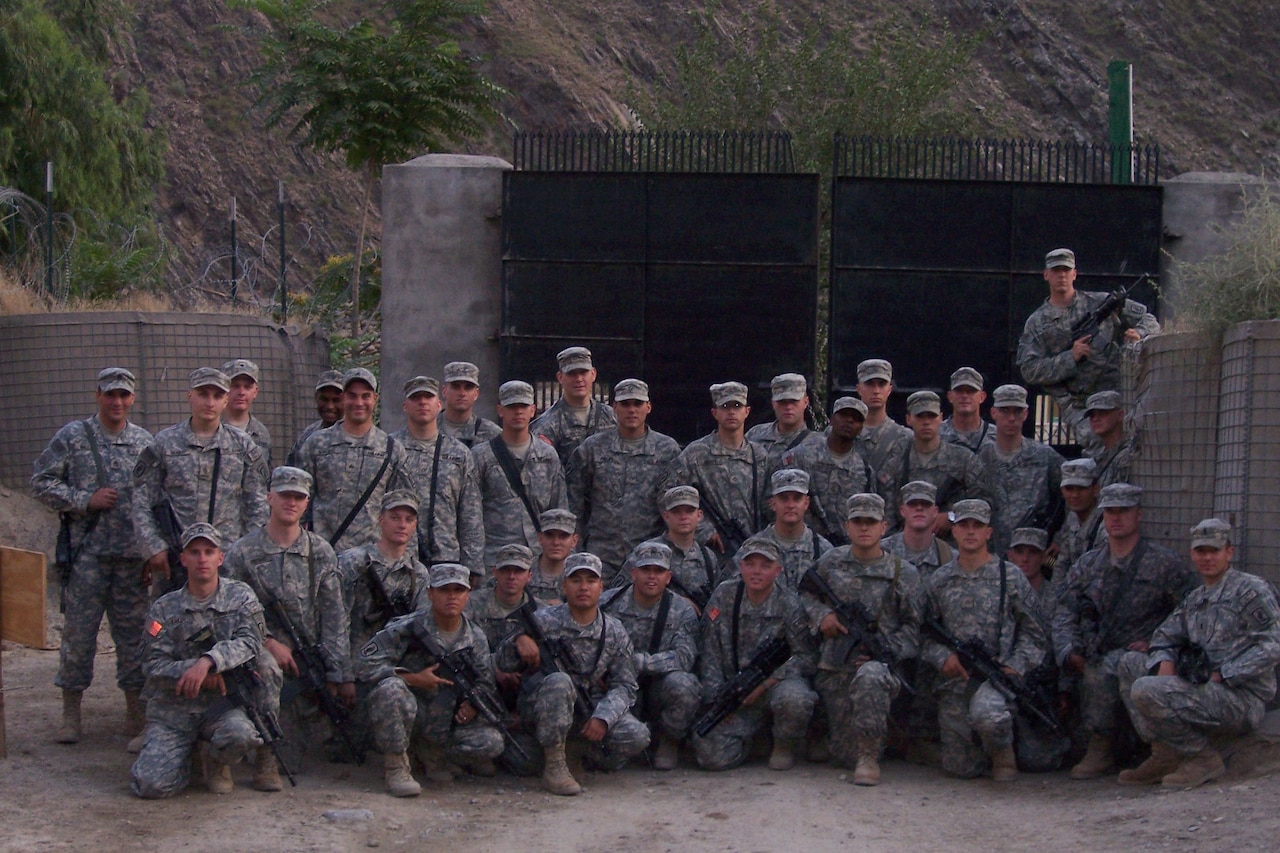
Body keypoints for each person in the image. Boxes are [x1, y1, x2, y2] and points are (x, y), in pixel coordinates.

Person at [32, 367, 154, 746]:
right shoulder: (73, 437)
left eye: (124, 395)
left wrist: (153, 552)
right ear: (97, 396)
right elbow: (41, 482)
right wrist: (85, 500)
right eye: (110, 394)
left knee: (135, 639)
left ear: (132, 399)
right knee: (78, 638)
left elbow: (155, 499)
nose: (117, 402)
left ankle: (135, 712)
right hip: (87, 559)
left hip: (132, 562)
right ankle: (71, 713)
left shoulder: (145, 443)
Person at [1119, 518, 1280, 787]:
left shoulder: (1250, 590)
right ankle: (1166, 754)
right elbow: (1163, 635)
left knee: (1146, 689)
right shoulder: (1196, 598)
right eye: (1201, 551)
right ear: (1192, 554)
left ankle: (1203, 758)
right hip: (1203, 687)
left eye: (1214, 551)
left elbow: (1272, 645)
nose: (1207, 558)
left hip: (1239, 696)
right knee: (1129, 664)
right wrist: (1165, 660)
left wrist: (1224, 674)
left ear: (1229, 552)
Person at [1053, 483, 1197, 780]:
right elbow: (1064, 611)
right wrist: (1068, 651)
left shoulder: (1162, 563)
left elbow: (1190, 612)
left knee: (1124, 665)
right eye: (1110, 512)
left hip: (1144, 656)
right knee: (1097, 669)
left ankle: (1162, 749)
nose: (1116, 518)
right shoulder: (1088, 564)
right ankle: (1100, 747)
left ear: (1139, 515)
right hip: (1098, 653)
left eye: (1124, 511)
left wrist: (1159, 644)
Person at [221, 466, 351, 772]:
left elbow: (334, 617)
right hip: (260, 660)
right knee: (284, 758)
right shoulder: (242, 553)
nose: (291, 502)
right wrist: (267, 643)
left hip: (308, 660)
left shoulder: (320, 552)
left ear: (307, 503)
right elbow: (227, 616)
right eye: (284, 496)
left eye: (298, 497)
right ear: (269, 498)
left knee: (336, 741)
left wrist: (337, 673)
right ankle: (265, 754)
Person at [130, 523, 274, 798]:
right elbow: (151, 664)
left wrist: (209, 661)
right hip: (174, 709)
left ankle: (217, 759)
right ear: (183, 559)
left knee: (241, 735)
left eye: (209, 552)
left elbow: (251, 643)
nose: (202, 559)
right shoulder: (163, 608)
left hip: (222, 705)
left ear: (221, 558)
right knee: (150, 786)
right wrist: (191, 672)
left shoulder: (241, 597)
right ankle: (188, 759)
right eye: (194, 552)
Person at [497, 552, 651, 795]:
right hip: (543, 706)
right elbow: (503, 662)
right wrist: (519, 639)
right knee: (559, 681)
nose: (583, 587)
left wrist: (603, 718)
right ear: (564, 585)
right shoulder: (542, 620)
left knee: (637, 736)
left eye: (590, 581)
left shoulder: (613, 630)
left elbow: (625, 684)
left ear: (601, 586)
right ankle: (556, 764)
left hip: (588, 708)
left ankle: (576, 751)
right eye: (576, 580)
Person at [921, 499, 1048, 781]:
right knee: (960, 769)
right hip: (956, 682)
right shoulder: (939, 580)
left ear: (988, 533)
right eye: (963, 525)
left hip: (998, 679)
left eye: (977, 526)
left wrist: (1014, 666)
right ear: (953, 531)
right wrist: (943, 657)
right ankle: (980, 751)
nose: (970, 532)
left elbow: (1034, 634)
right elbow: (923, 634)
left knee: (988, 715)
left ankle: (1003, 753)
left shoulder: (1010, 577)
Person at [357, 563, 507, 797]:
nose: (451, 597)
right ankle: (397, 765)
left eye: (458, 591)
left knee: (492, 742)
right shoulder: (406, 627)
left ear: (467, 595)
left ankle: (432, 756)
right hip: (411, 713)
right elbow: (364, 663)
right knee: (392, 689)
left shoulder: (475, 637)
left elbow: (485, 682)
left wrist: (473, 705)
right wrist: (411, 678)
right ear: (430, 593)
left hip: (447, 719)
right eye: (444, 590)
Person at [801, 493, 922, 784]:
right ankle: (857, 745)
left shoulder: (904, 573)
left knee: (870, 675)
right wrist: (822, 617)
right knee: (843, 754)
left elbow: (914, 629)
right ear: (847, 526)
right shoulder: (830, 562)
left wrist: (886, 651)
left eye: (871, 522)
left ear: (884, 527)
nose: (864, 528)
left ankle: (869, 757)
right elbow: (805, 593)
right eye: (858, 521)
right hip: (835, 670)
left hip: (880, 671)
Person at [132, 367, 269, 594]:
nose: (209, 402)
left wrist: (248, 550)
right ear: (190, 396)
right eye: (203, 394)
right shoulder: (164, 443)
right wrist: (153, 546)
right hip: (175, 558)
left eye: (217, 396)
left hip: (226, 558)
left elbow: (257, 503)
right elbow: (141, 497)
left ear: (225, 401)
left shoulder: (243, 446)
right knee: (165, 625)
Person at [1016, 247, 1160, 453]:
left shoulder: (1100, 303)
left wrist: (1139, 333)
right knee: (1100, 447)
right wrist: (1070, 358)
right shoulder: (1037, 323)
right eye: (1056, 270)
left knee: (1139, 444)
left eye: (1066, 270)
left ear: (1074, 274)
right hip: (1082, 405)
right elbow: (1029, 369)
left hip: (1122, 393)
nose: (1062, 275)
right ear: (1046, 275)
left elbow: (1149, 319)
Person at [693, 536, 817, 772]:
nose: (756, 572)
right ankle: (751, 740)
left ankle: (783, 745)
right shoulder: (725, 595)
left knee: (795, 699)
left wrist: (765, 685)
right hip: (735, 691)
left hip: (773, 689)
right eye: (750, 564)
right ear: (741, 567)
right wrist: (718, 699)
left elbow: (806, 657)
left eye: (765, 565)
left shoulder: (789, 604)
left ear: (778, 570)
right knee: (709, 753)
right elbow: (709, 648)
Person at [599, 541, 701, 770]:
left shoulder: (682, 610)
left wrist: (642, 662)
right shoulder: (607, 603)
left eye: (659, 571)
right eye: (646, 570)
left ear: (669, 576)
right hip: (616, 688)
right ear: (634, 573)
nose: (651, 577)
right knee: (610, 764)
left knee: (684, 685)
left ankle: (668, 741)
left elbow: (684, 657)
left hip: (657, 688)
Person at [566, 378, 679, 583]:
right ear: (615, 407)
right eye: (625, 404)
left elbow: (672, 507)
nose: (632, 410)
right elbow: (575, 504)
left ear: (648, 407)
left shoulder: (667, 450)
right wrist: (577, 549)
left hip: (648, 556)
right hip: (602, 555)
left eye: (637, 404)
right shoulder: (592, 448)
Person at [295, 368, 408, 553]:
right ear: (344, 398)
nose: (359, 403)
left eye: (365, 396)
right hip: (322, 554)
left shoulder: (391, 450)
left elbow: (402, 509)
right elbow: (300, 500)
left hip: (372, 558)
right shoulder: (316, 444)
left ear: (375, 399)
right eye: (352, 396)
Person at [662, 381, 768, 561]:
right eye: (725, 407)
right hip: (707, 551)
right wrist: (703, 530)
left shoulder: (759, 455)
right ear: (715, 413)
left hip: (751, 545)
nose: (731, 412)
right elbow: (667, 493)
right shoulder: (696, 454)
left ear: (747, 411)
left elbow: (768, 503)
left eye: (737, 406)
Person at [391, 375, 485, 576]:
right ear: (405, 406)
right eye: (416, 398)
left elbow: (470, 513)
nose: (422, 402)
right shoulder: (390, 449)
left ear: (438, 404)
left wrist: (473, 565)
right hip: (400, 557)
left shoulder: (459, 453)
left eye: (428, 397)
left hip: (446, 557)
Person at [473, 380, 568, 569]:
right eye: (512, 407)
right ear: (500, 410)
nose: (518, 412)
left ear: (532, 410)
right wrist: (474, 562)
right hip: (496, 557)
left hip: (539, 557)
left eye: (523, 406)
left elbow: (559, 509)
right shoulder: (481, 456)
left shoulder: (547, 455)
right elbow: (472, 513)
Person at [1006, 527, 1072, 772]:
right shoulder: (1002, 591)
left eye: (1033, 552)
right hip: (1010, 677)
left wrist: (1064, 689)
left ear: (1045, 557)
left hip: (1046, 685)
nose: (1025, 559)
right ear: (1009, 555)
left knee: (1039, 760)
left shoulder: (1057, 596)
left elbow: (1063, 643)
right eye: (1019, 552)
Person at [338, 489, 431, 655]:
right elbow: (337, 620)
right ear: (381, 520)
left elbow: (421, 624)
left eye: (409, 520)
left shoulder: (418, 573)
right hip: (353, 659)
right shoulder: (353, 561)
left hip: (394, 663)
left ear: (415, 524)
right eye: (395, 518)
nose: (402, 525)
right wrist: (342, 672)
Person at [975, 384, 1064, 555]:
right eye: (1005, 411)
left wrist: (1061, 537)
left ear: (1025, 414)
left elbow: (1075, 497)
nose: (1011, 418)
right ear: (994, 413)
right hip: (990, 554)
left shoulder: (1044, 457)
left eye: (1017, 411)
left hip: (1031, 555)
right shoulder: (979, 459)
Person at [878, 390, 984, 533]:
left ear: (940, 418)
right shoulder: (895, 464)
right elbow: (887, 515)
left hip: (953, 545)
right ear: (909, 419)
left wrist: (951, 517)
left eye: (931, 416)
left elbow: (983, 503)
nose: (926, 422)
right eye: (920, 416)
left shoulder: (963, 459)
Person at [784, 396, 875, 546]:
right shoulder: (801, 456)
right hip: (802, 544)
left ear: (861, 428)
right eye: (844, 415)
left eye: (856, 419)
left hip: (846, 547)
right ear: (832, 419)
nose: (849, 421)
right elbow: (775, 499)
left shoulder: (864, 469)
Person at [730, 468, 833, 593]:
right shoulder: (751, 549)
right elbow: (731, 591)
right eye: (784, 498)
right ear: (773, 504)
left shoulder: (823, 549)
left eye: (797, 498)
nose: (790, 505)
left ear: (806, 503)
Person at [465, 543, 540, 706]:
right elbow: (460, 648)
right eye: (506, 570)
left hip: (525, 686)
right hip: (481, 681)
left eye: (519, 571)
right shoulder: (471, 604)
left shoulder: (541, 612)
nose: (511, 576)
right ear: (495, 572)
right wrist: (493, 668)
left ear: (529, 576)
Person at [635, 486, 722, 611]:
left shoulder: (708, 557)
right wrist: (673, 600)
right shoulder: (646, 551)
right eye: (676, 511)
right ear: (666, 516)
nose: (683, 517)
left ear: (699, 515)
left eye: (689, 511)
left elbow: (718, 600)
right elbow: (625, 593)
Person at [532, 346, 617, 464]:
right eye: (571, 373)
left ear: (593, 374)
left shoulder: (611, 417)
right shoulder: (546, 426)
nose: (578, 379)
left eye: (583, 372)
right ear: (560, 377)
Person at [746, 373, 822, 467]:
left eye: (794, 401)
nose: (788, 407)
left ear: (805, 402)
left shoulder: (819, 444)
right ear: (773, 403)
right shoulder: (755, 435)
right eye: (782, 402)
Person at [880, 480, 953, 578]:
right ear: (902, 511)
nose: (919, 508)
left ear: (935, 511)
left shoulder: (948, 556)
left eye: (926, 504)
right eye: (912, 504)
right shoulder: (882, 551)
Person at [853, 358, 911, 476]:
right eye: (869, 384)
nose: (876, 391)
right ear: (858, 389)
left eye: (881, 384)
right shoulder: (842, 435)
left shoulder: (905, 438)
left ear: (889, 389)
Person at [1054, 458, 1106, 578]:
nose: (1074, 495)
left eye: (1081, 488)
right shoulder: (1072, 518)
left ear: (1096, 489)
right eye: (1069, 489)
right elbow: (1061, 565)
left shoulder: (1105, 523)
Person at [438, 361, 502, 449]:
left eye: (468, 387)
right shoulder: (426, 428)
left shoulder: (492, 434)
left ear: (476, 394)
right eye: (455, 387)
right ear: (444, 391)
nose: (462, 393)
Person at [288, 369, 345, 465]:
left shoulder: (356, 436)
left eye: (336, 400)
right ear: (316, 398)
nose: (330, 406)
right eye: (324, 399)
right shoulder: (307, 435)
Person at [221, 359, 272, 466]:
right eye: (235, 386)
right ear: (224, 389)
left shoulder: (261, 433)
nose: (241, 393)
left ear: (255, 392)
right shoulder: (212, 428)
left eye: (247, 387)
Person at [526, 509, 579, 604]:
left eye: (563, 536)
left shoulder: (581, 574)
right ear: (540, 538)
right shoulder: (523, 570)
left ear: (574, 541)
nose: (556, 542)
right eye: (549, 535)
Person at [1083, 390, 1132, 488]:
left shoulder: (1129, 453)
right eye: (1092, 415)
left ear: (1120, 415)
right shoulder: (1097, 454)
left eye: (1103, 413)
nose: (1096, 419)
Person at [940, 367, 995, 453]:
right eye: (959, 390)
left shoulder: (998, 438)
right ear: (950, 396)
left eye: (971, 391)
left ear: (982, 397)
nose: (964, 396)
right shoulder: (935, 436)